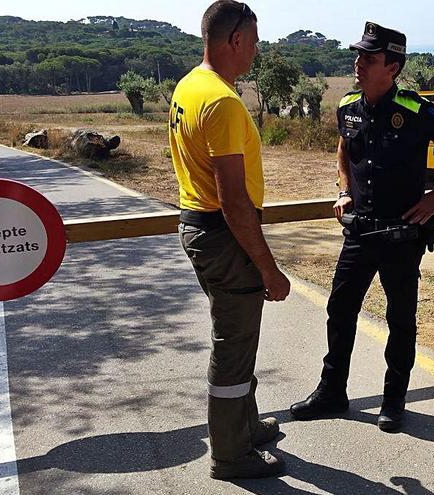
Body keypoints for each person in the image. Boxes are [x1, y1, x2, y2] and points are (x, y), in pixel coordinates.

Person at [289, 22, 434, 433]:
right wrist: (342, 188)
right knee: (340, 310)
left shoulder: (415, 109)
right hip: (359, 232)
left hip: (400, 235)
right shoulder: (349, 105)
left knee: (400, 320)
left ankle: (394, 400)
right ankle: (332, 390)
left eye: (368, 58)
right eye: (358, 56)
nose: (358, 64)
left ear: (392, 66)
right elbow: (343, 146)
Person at [168, 0, 290, 480]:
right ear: (235, 40)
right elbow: (234, 201)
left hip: (200, 226)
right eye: (255, 42)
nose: (257, 51)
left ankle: (248, 427)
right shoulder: (221, 101)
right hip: (223, 234)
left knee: (241, 337)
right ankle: (231, 454)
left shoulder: (190, 85)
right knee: (233, 344)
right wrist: (268, 268)